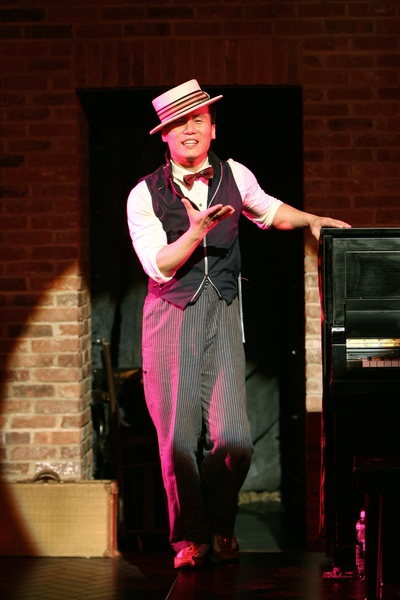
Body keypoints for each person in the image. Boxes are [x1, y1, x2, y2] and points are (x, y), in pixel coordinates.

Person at [126, 79, 351, 569]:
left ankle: (218, 523)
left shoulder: (235, 174)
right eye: (178, 124)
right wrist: (195, 232)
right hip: (171, 314)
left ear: (213, 127)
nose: (189, 130)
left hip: (224, 309)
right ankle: (192, 539)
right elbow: (159, 265)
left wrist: (311, 220)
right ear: (165, 135)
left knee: (235, 442)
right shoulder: (143, 194)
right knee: (178, 441)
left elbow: (269, 211)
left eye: (198, 120)